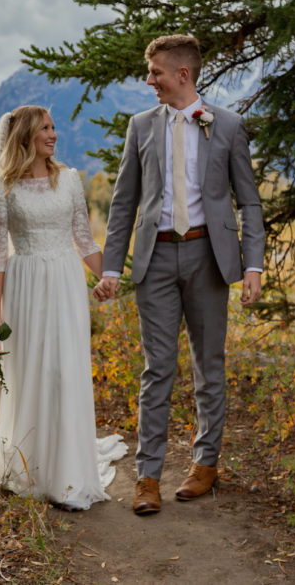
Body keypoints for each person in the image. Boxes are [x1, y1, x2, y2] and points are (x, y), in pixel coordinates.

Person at [93, 35, 265, 515]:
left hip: (210, 258)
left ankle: (205, 465)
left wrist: (252, 265)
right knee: (158, 369)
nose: (150, 82)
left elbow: (249, 200)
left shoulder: (227, 126)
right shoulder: (141, 126)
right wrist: (112, 265)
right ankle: (148, 477)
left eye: (156, 74)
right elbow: (124, 202)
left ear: (183, 75)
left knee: (209, 366)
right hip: (156, 260)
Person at [0, 104, 127, 510]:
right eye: (45, 127)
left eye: (54, 126)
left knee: (65, 369)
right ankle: (32, 466)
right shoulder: (0, 189)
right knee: (32, 370)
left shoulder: (70, 180)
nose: (54, 134)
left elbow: (85, 239)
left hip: (65, 281)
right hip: (25, 286)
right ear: (26, 135)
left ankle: (68, 473)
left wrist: (108, 276)